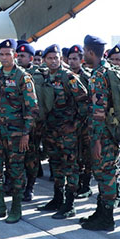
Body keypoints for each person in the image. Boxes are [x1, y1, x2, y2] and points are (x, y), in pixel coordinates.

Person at [0, 39, 38, 223]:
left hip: (16, 134)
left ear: (14, 55)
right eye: (2, 54)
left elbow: (32, 108)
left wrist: (26, 134)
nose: (4, 58)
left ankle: (16, 207)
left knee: (16, 171)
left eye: (8, 54)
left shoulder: (23, 77)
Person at [37, 44, 87, 220]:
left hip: (67, 131)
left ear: (61, 59)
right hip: (50, 130)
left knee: (70, 166)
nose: (53, 61)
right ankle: (58, 198)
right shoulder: (44, 77)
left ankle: (70, 204)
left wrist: (75, 125)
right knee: (55, 164)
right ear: (44, 60)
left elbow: (84, 101)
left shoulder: (68, 77)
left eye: (56, 58)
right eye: (50, 58)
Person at [80, 35, 119, 231]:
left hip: (103, 134)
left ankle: (107, 218)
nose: (83, 54)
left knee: (106, 174)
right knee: (105, 172)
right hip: (111, 131)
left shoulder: (98, 76)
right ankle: (101, 211)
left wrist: (96, 140)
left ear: (90, 52)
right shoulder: (108, 70)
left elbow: (98, 111)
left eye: (84, 51)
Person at [16, 43, 45, 201]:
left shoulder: (39, 75)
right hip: (15, 122)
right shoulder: (12, 73)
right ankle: (16, 185)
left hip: (34, 124)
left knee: (31, 157)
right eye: (18, 56)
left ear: (31, 58)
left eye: (23, 56)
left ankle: (30, 187)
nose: (19, 58)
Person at [67, 45, 94, 199]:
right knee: (74, 156)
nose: (72, 62)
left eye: (75, 59)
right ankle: (75, 184)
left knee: (87, 154)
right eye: (69, 59)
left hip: (85, 123)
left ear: (81, 60)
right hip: (70, 122)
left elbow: (88, 103)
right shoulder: (65, 76)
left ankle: (86, 185)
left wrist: (77, 123)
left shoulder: (87, 77)